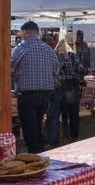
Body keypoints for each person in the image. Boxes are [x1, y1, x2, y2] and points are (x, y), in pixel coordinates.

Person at [11, 20, 59, 155]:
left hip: (27, 94)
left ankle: (35, 154)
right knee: (38, 125)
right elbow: (56, 72)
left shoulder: (20, 48)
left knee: (29, 128)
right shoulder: (49, 50)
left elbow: (11, 68)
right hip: (45, 94)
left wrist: (16, 74)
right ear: (37, 33)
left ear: (25, 32)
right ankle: (40, 152)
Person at [54, 38, 87, 141]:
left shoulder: (56, 56)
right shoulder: (73, 56)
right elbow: (81, 70)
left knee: (63, 113)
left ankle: (66, 134)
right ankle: (74, 134)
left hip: (60, 87)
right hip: (72, 86)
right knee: (73, 113)